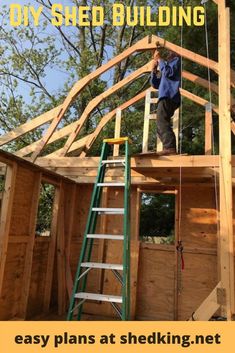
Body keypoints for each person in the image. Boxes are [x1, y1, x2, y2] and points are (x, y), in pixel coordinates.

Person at [150, 49, 181, 156]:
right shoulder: (166, 66)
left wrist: (159, 59)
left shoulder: (176, 60)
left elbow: (168, 72)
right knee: (160, 124)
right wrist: (154, 71)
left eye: (169, 53)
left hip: (169, 96)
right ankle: (168, 148)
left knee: (161, 121)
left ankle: (170, 147)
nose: (168, 55)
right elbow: (155, 84)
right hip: (165, 96)